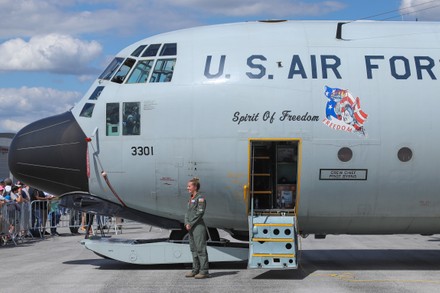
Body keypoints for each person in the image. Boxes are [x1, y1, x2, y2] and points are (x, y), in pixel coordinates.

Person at [184, 177, 209, 279]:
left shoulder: (200, 198)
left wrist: (191, 223)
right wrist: (186, 223)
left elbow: (200, 213)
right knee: (193, 249)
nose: (187, 188)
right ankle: (195, 270)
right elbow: (187, 213)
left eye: (189, 186)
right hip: (190, 227)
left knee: (200, 249)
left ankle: (204, 271)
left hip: (198, 227)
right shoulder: (191, 199)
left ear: (195, 186)